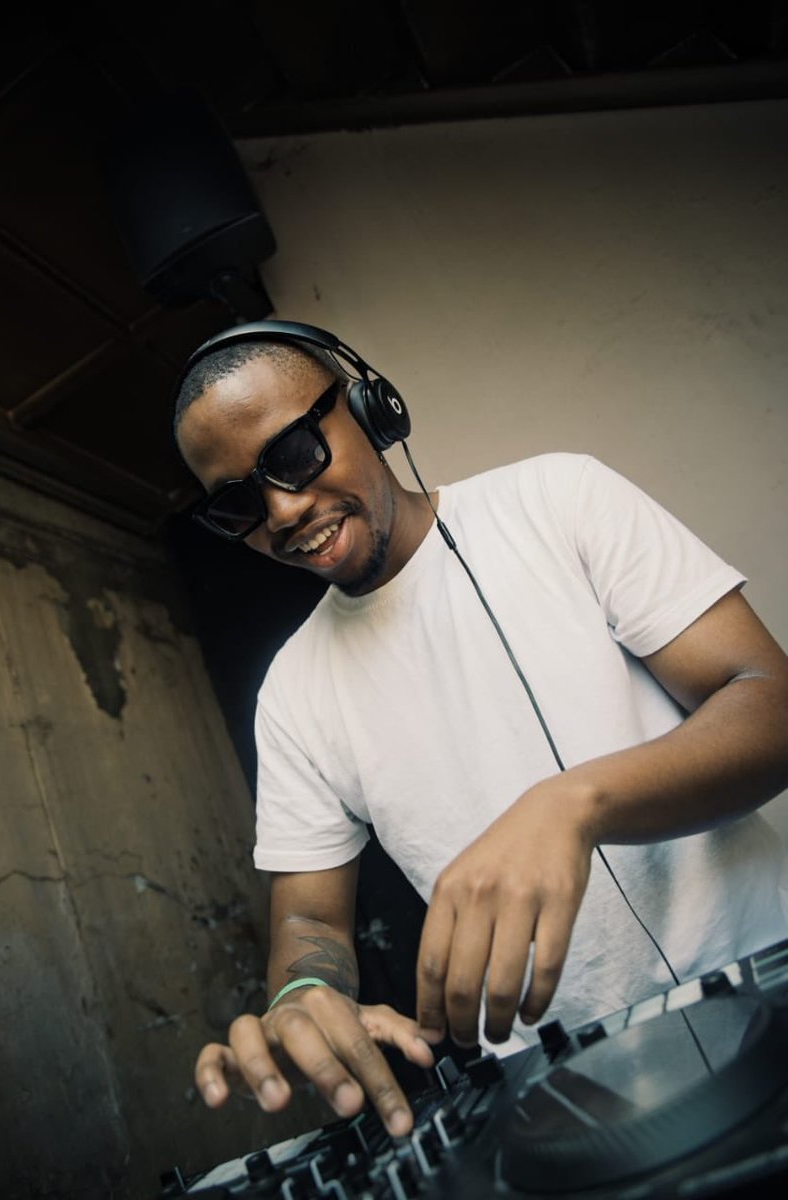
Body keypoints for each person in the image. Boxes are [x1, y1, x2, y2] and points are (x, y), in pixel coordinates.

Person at [173, 319, 788, 1141]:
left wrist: (573, 803)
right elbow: (309, 923)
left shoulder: (558, 498)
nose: (282, 511)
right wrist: (301, 992)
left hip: (763, 976)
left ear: (369, 407)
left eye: (293, 454)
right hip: (569, 1089)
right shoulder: (290, 692)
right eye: (239, 503)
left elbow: (767, 700)